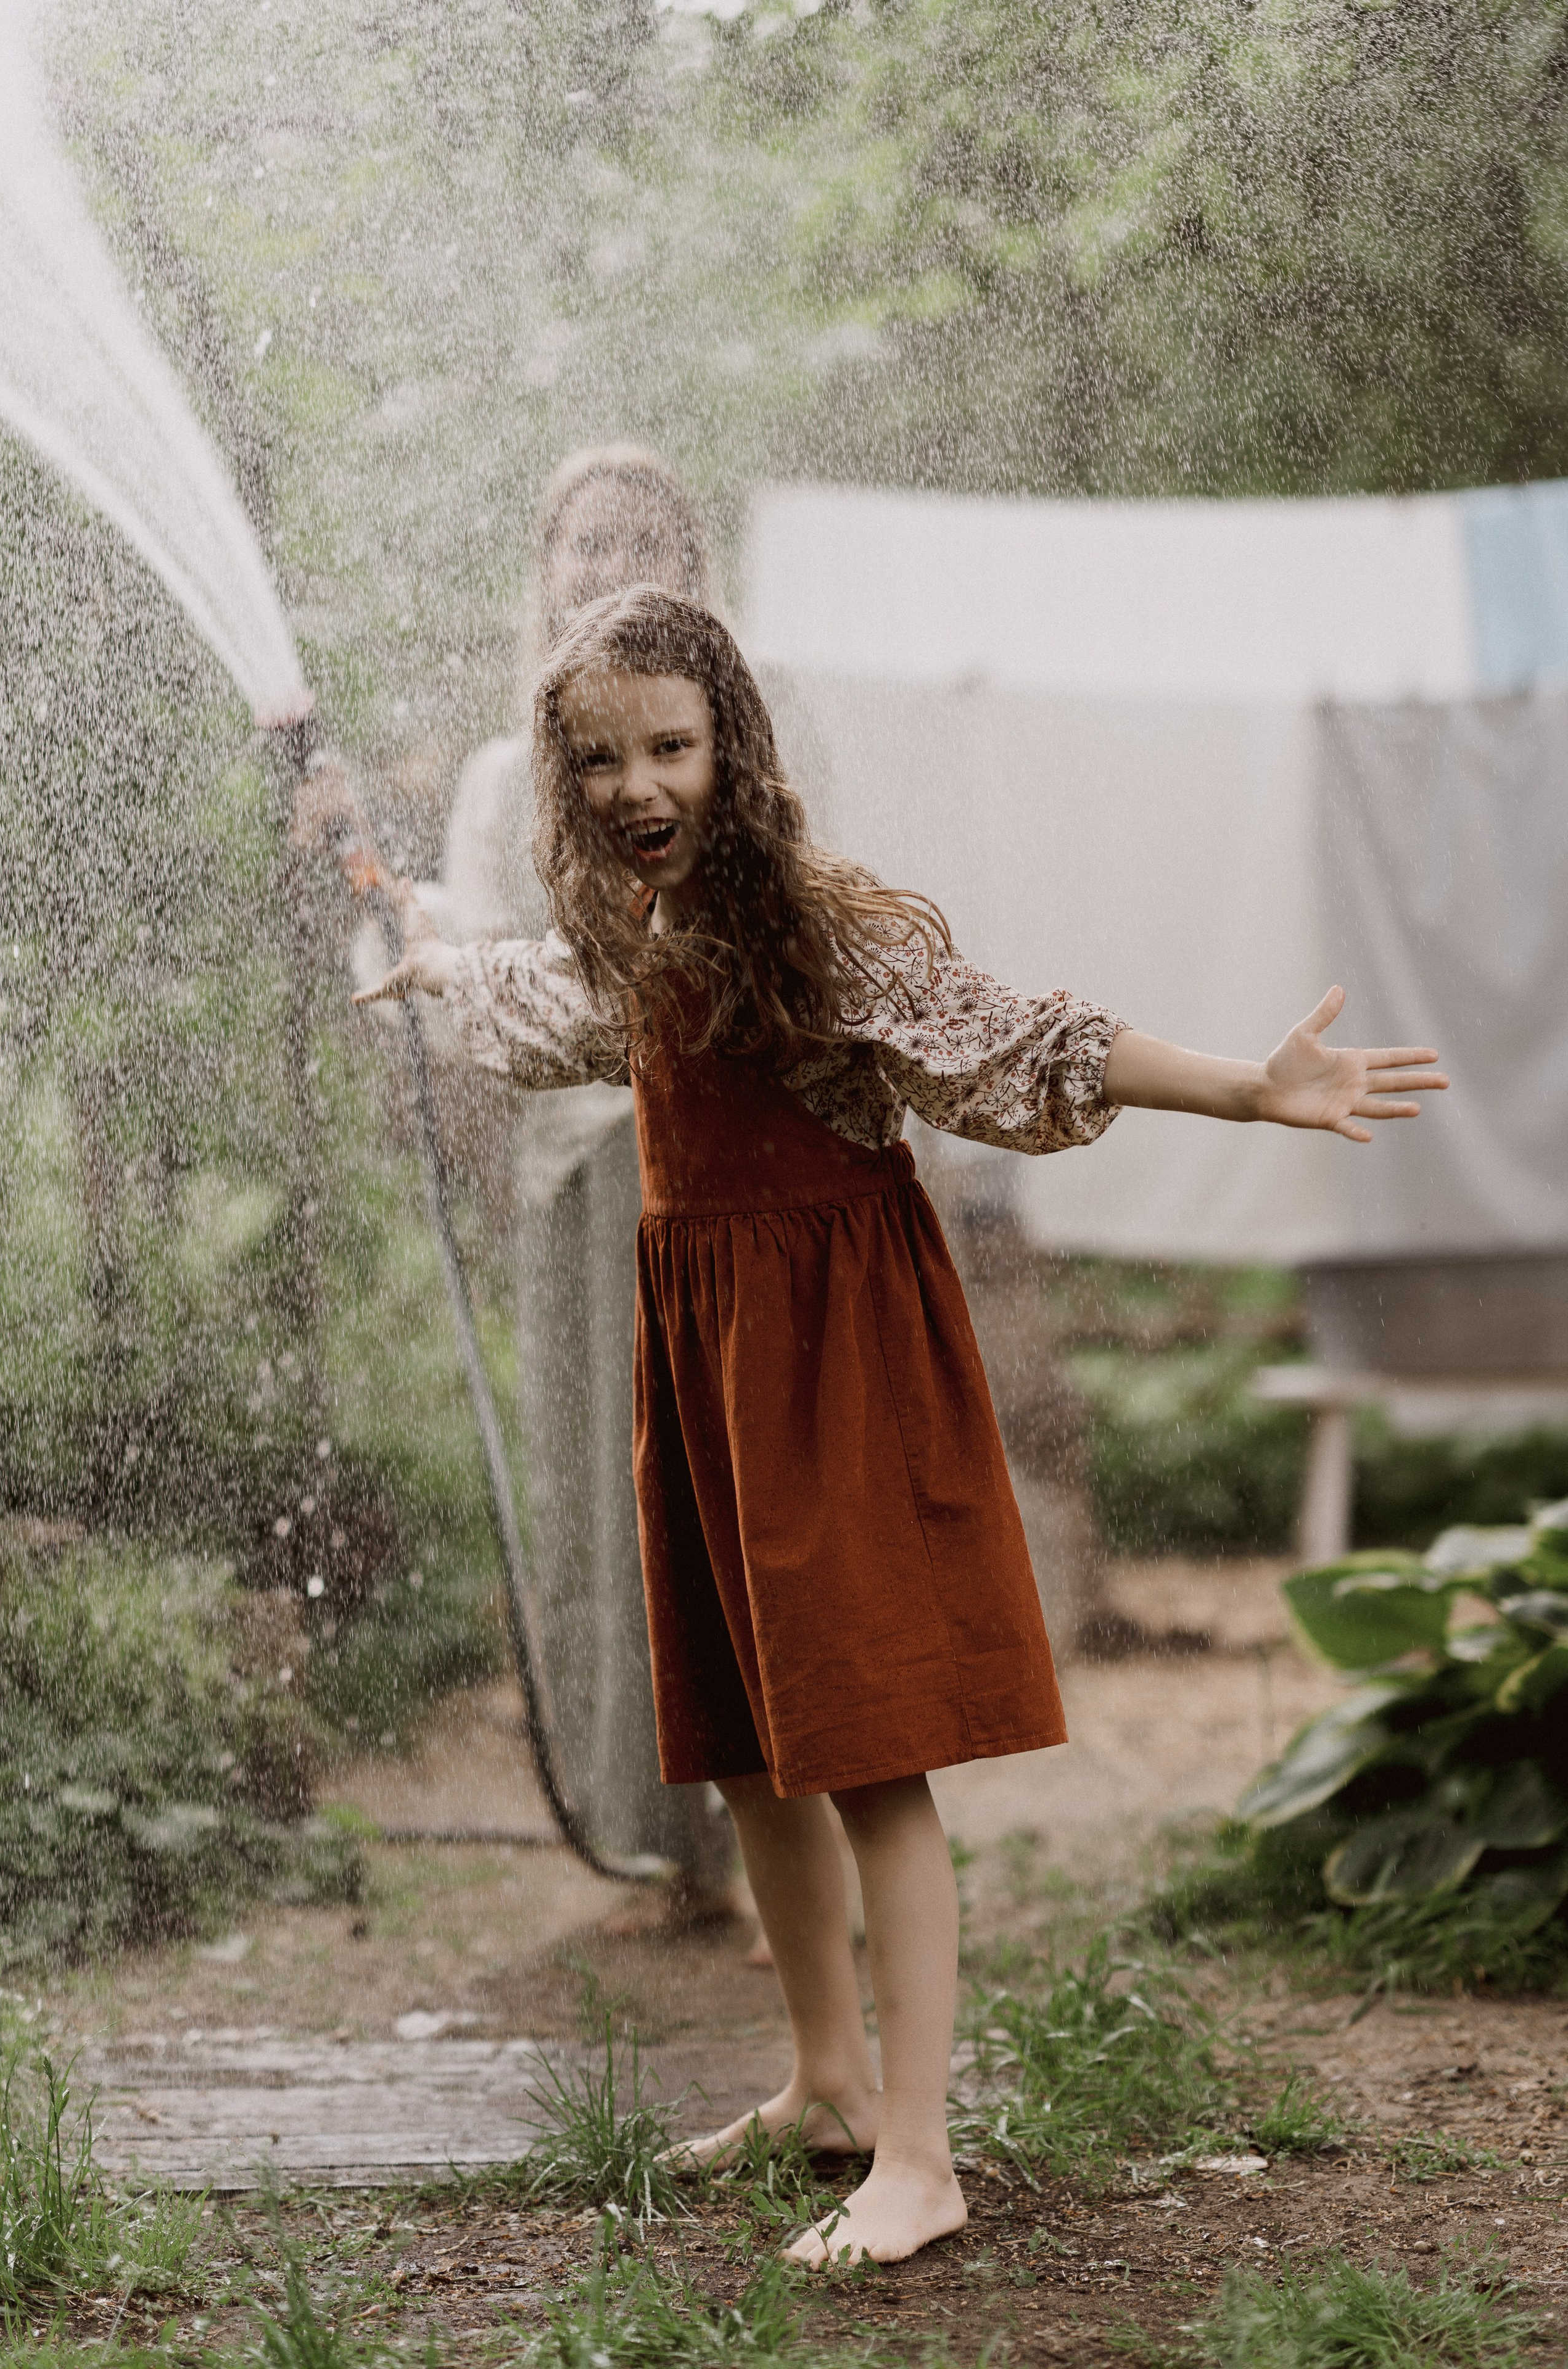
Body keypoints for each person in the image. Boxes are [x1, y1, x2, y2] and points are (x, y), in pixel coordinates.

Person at [355, 587, 1447, 2267]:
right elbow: (544, 1000)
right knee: (748, 1745)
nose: (637, 785)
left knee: (867, 1757)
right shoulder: (638, 929)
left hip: (828, 1359)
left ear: (732, 746)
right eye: (599, 760)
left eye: (669, 747)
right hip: (706, 1359)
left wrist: (1244, 1086)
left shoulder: (812, 922)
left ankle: (921, 2159)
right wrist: (434, 959)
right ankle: (827, 2085)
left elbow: (1013, 1037)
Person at [414, 447, 827, 1907]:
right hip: (583, 1179)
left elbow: (801, 929)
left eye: (641, 537)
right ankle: (658, 1839)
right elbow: (481, 982)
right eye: (583, 540)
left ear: (689, 569)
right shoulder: (499, 779)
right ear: (545, 569)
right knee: (607, 1502)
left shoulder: (753, 739)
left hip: (730, 1165)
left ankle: (785, 1840)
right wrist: (403, 929)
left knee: (743, 1498)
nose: (608, 562)